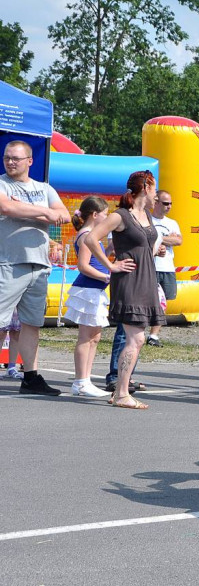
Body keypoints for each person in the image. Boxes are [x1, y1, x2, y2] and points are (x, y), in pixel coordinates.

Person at [84, 170, 164, 410]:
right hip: (128, 281)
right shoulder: (121, 215)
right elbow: (91, 239)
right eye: (155, 188)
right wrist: (111, 265)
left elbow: (141, 247)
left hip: (146, 279)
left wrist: (152, 252)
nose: (157, 194)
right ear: (146, 188)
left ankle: (120, 390)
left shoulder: (146, 215)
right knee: (136, 338)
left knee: (137, 338)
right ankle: (121, 393)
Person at [0, 140, 72, 396]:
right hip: (8, 262)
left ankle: (30, 377)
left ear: (29, 161)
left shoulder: (44, 188)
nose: (10, 162)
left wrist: (25, 212)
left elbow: (62, 214)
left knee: (31, 323)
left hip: (39, 264)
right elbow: (6, 206)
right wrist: (43, 213)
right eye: (7, 157)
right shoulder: (1, 184)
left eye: (16, 158)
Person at [63, 196, 112, 398]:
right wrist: (108, 275)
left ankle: (86, 379)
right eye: (105, 214)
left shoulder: (92, 236)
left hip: (95, 290)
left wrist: (108, 251)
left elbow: (95, 260)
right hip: (88, 290)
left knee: (94, 337)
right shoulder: (85, 236)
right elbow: (83, 266)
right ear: (94, 215)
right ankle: (81, 381)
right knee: (86, 337)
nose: (107, 218)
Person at [147, 189, 181, 347]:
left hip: (167, 267)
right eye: (166, 203)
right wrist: (168, 239)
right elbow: (147, 238)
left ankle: (153, 335)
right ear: (156, 202)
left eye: (171, 203)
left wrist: (159, 239)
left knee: (163, 302)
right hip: (151, 267)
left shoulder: (172, 223)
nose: (169, 206)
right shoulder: (148, 220)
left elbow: (179, 241)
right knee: (147, 301)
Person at [1, 310, 21, 379]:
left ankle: (11, 367)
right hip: (4, 302)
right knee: (1, 332)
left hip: (18, 302)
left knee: (16, 332)